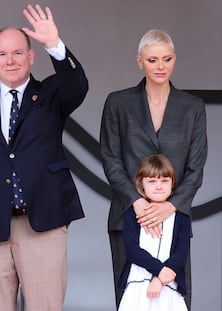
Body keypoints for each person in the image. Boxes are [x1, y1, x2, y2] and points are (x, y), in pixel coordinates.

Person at [0, 4, 88, 311]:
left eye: (17, 53)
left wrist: (55, 43)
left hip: (43, 223)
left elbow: (78, 87)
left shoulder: (51, 93)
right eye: (2, 54)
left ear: (31, 56)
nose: (9, 60)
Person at [100, 29, 207, 310]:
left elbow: (196, 168)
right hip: (127, 216)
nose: (160, 66)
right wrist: (137, 203)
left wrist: (169, 207)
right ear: (139, 61)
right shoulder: (118, 103)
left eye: (167, 58)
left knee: (174, 299)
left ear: (174, 59)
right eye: (152, 60)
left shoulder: (192, 107)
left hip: (175, 221)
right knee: (130, 301)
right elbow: (110, 158)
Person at [118, 154, 189, 311]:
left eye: (164, 181)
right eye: (152, 181)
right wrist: (159, 270)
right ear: (141, 184)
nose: (159, 186)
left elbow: (181, 252)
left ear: (172, 184)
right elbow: (132, 250)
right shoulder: (132, 213)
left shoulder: (181, 217)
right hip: (138, 285)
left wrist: (161, 278)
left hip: (169, 284)